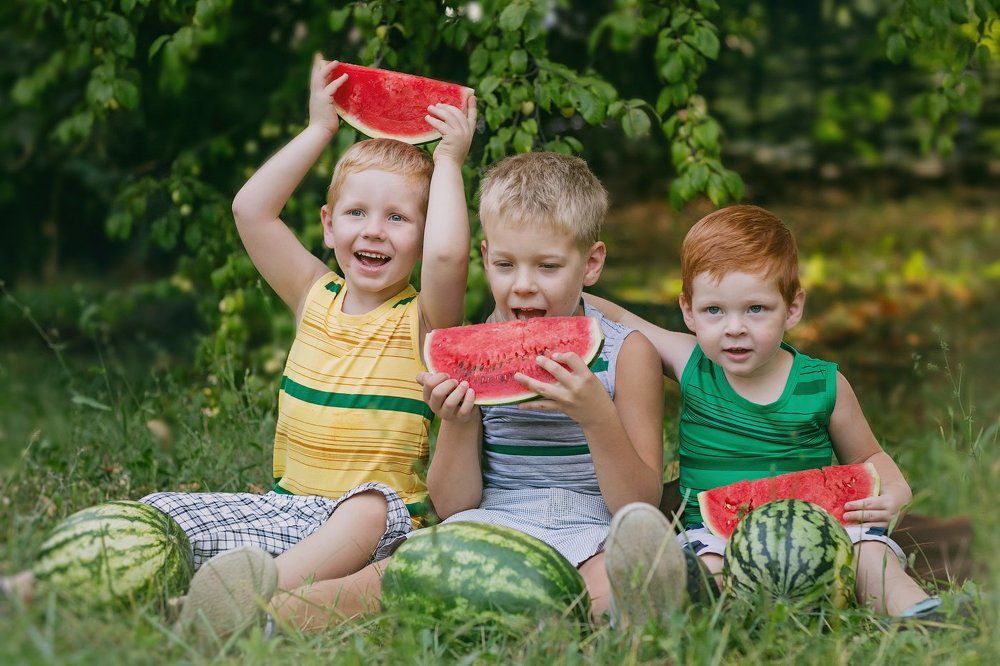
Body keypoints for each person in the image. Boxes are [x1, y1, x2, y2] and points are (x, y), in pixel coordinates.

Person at [0, 53, 477, 639]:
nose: (374, 229)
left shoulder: (425, 322)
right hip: (285, 512)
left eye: (398, 218)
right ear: (328, 225)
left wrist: (449, 161)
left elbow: (450, 256)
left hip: (378, 528)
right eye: (356, 212)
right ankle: (28, 589)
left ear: (424, 238)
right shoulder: (312, 294)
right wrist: (318, 129)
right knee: (164, 512)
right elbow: (250, 211)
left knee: (369, 505)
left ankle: (242, 599)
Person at [264, 151, 673, 632]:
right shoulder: (472, 350)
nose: (523, 286)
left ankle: (574, 612)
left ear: (592, 263)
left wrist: (597, 417)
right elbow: (452, 505)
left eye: (547, 266)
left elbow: (638, 504)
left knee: (606, 589)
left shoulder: (629, 353)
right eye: (505, 264)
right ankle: (264, 611)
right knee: (392, 577)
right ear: (485, 257)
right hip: (489, 522)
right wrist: (458, 423)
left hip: (595, 528)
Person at [587, 204, 946, 622]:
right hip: (713, 534)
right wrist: (561, 293)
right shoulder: (690, 362)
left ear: (792, 308)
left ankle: (919, 615)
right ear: (688, 311)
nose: (734, 327)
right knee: (706, 569)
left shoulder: (823, 384)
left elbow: (869, 457)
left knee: (870, 555)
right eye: (714, 311)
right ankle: (667, 609)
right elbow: (621, 318)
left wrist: (897, 492)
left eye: (755, 309)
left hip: (823, 533)